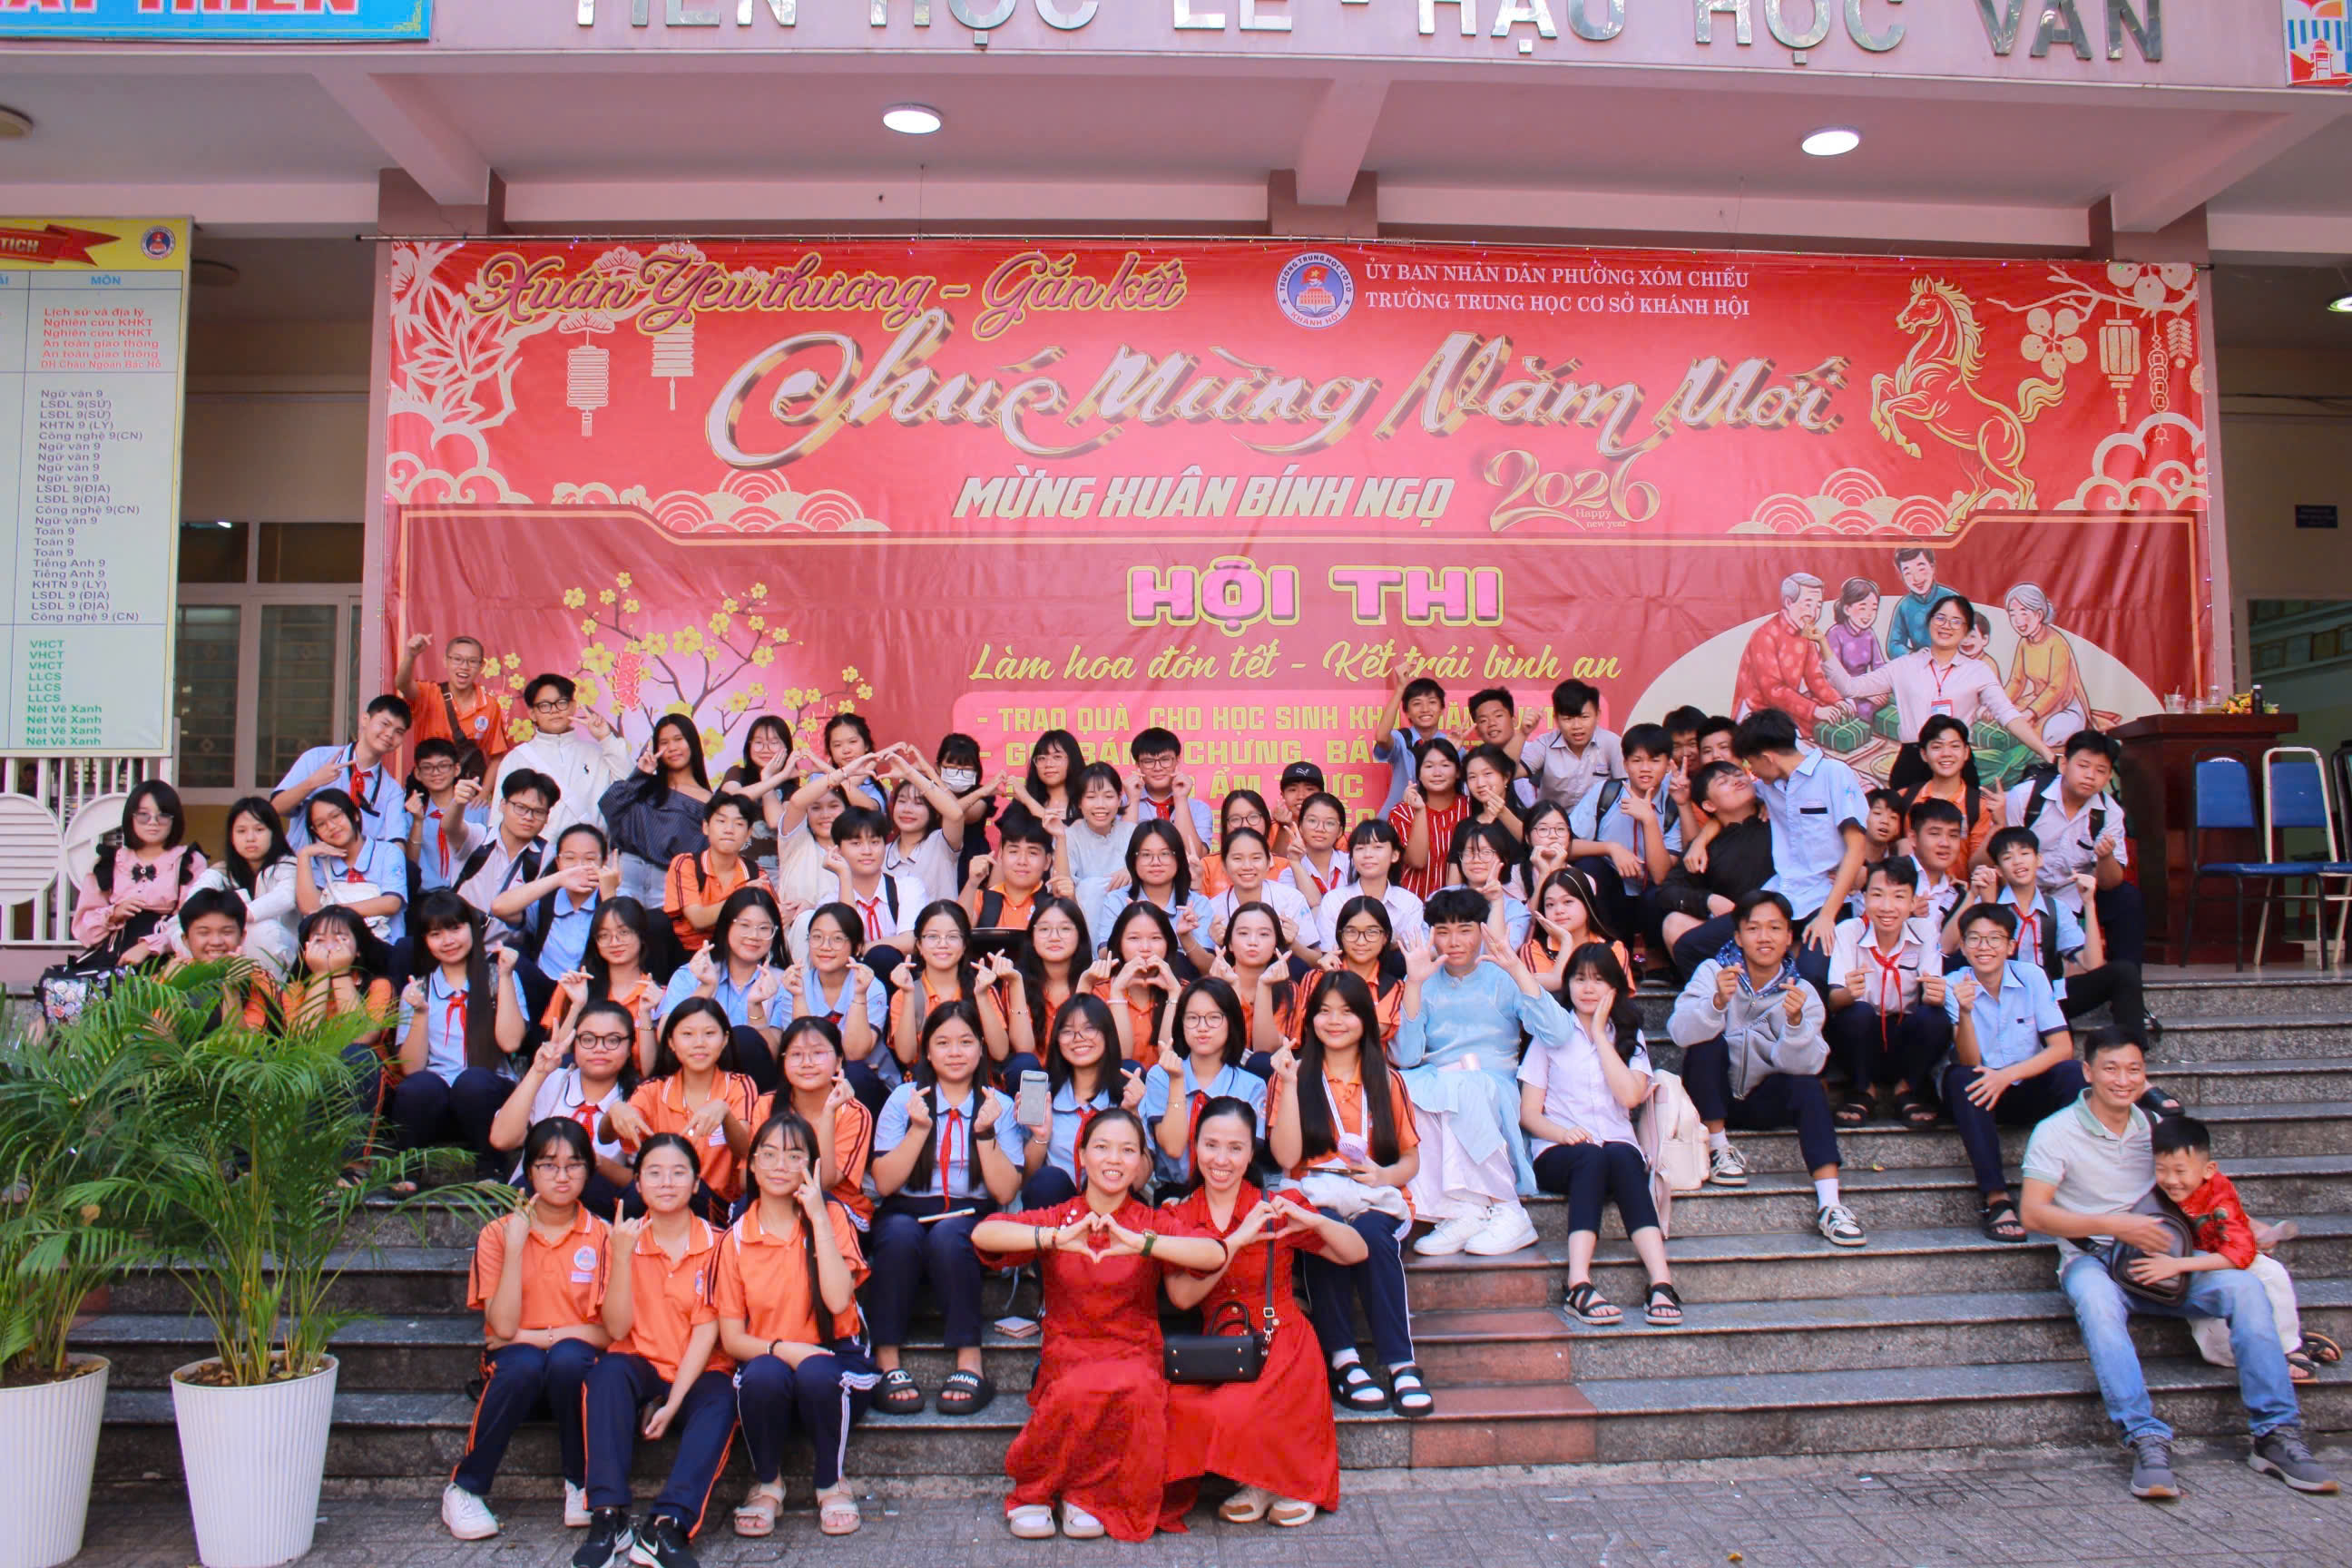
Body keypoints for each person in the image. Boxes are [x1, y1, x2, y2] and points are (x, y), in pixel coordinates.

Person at [2020, 1031, 2335, 1500]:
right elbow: (2032, 1214)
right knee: (2098, 1305)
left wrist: (2245, 1227)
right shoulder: (2055, 1132)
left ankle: (2276, 1433)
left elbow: (2200, 1191)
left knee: (2247, 1288)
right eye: (2111, 1069)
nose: (2123, 1080)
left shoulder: (2153, 1126)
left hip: (2166, 1257)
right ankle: (2144, 1436)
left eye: (2134, 1069)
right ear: (2088, 1072)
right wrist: (2115, 1225)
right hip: (2094, 1258)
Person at [970, 1109, 1227, 1541]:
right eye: (1102, 1147)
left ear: (1141, 1162)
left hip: (1134, 1349)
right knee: (1075, 1388)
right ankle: (1038, 1491)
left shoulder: (1148, 1222)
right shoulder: (1062, 1217)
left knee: (1136, 1388)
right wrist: (1054, 1239)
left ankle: (1086, 1494)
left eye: (1127, 1150)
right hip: (1068, 1349)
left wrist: (1142, 1243)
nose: (1114, 1159)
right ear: (1082, 1155)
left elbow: (1214, 1253)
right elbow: (984, 1235)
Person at [1161, 1100, 1363, 1528]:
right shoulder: (1179, 1216)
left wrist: (1315, 1221)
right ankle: (1260, 1481)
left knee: (1245, 1404)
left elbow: (1355, 1253)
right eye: (1211, 1145)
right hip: (1221, 1344)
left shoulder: (1276, 1204)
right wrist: (1236, 1239)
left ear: (1251, 1153)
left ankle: (1285, 1484)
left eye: (1235, 1148)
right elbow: (1180, 1297)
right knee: (1185, 1407)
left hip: (1280, 1337)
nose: (1222, 1159)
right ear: (1195, 1146)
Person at [1265, 970, 1428, 1416]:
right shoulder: (1292, 1074)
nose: (1334, 1021)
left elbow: (1410, 1161)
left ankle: (1401, 1363)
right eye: (1323, 1011)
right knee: (1326, 1229)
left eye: (1347, 1012)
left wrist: (1384, 1175)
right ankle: (1344, 1358)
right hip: (1314, 1191)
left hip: (1373, 1193)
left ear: (1365, 1019)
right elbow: (1286, 1157)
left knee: (1373, 1236)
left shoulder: (1387, 1080)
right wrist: (1292, 1086)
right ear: (1309, 1018)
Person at [442, 1118, 611, 1544]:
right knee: (524, 1365)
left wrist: (537, 1337)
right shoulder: (498, 1234)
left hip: (573, 1364)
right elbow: (501, 1328)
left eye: (574, 1165)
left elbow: (608, 1334)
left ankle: (580, 1483)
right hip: (515, 1367)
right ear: (529, 1171)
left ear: (589, 1171)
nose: (561, 1176)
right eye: (548, 1165)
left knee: (568, 1359)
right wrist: (517, 1246)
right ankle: (465, 1488)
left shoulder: (604, 1236)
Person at [577, 1132, 739, 1568]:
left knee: (723, 1398)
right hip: (641, 1362)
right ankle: (608, 1516)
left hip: (699, 1369)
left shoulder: (720, 1243)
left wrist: (672, 1404)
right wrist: (622, 1256)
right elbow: (615, 1328)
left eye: (678, 1172)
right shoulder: (620, 1240)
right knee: (606, 1374)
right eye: (654, 1173)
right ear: (638, 1183)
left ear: (696, 1182)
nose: (666, 1183)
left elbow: (706, 1331)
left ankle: (668, 1523)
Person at [718, 1111, 879, 1542]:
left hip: (837, 1363)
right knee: (763, 1374)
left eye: (794, 1156)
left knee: (815, 1372)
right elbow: (733, 1339)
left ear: (812, 1165)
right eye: (768, 1154)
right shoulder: (736, 1237)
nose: (780, 1166)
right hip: (771, 1360)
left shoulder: (833, 1216)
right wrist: (784, 1350)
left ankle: (831, 1483)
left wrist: (819, 1218)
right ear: (752, 1165)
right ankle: (768, 1484)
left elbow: (838, 1300)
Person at [1668, 892, 1863, 1247]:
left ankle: (1830, 1204)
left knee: (1809, 1087)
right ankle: (1719, 1148)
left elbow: (1806, 1066)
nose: (1764, 937)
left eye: (1774, 928)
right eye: (1754, 928)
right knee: (1705, 1044)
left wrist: (1795, 1024)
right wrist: (1716, 1003)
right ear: (1738, 936)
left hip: (1763, 1100)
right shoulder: (1712, 972)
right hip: (1712, 1097)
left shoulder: (1803, 991)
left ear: (1789, 936)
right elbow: (1680, 1033)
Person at [867, 1000, 1027, 1417]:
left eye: (966, 1042)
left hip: (969, 1214)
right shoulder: (904, 1099)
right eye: (943, 1043)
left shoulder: (998, 1104)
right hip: (906, 1208)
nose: (955, 1052)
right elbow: (884, 1183)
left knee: (949, 1237)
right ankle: (886, 1359)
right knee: (898, 1236)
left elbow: (1005, 1189)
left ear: (981, 1049)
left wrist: (985, 1132)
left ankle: (969, 1360)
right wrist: (920, 1129)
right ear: (927, 1050)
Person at [1521, 943, 1679, 1327]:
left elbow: (1630, 1097)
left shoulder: (1628, 1035)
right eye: (1579, 979)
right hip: (1559, 1150)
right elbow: (1528, 1114)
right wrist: (1563, 1133)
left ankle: (1662, 1282)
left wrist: (1601, 1037)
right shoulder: (1550, 1034)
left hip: (1615, 1147)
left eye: (1598, 980)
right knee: (1592, 1155)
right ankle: (1578, 1282)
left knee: (1622, 1155)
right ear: (1568, 985)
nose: (1588, 988)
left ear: (1614, 987)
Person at [1393, 890, 1557, 1258]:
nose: (1454, 942)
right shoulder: (1424, 979)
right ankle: (1462, 1210)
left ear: (1482, 931)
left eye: (1464, 930)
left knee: (1465, 1087)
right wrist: (1414, 984)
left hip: (1493, 1084)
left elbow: (1558, 1033)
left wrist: (1517, 969)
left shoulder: (1502, 977)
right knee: (1404, 1088)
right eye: (1443, 931)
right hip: (1439, 1082)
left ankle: (1508, 1207)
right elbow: (1405, 1056)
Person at [1686, 709, 1868, 993]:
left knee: (1811, 977)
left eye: (1751, 763)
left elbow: (1857, 848)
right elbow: (1728, 810)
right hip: (1781, 897)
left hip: (1828, 898)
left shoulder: (1833, 774)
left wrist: (1827, 916)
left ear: (1767, 758)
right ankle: (1729, 1009)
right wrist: (1700, 842)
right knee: (1691, 946)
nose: (1751, 773)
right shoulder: (1769, 786)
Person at [1942, 901, 2087, 1244]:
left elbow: (2062, 1047)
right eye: (1974, 939)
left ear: (2010, 946)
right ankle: (1997, 1199)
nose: (1984, 947)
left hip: (2023, 1085)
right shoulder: (1953, 984)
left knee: (2071, 1073)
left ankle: (2075, 1187)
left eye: (1994, 939)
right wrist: (1965, 1012)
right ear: (1963, 947)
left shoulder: (2032, 976)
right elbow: (1969, 1060)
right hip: (1982, 1094)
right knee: (1961, 1078)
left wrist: (2006, 1075)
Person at [2151, 1115, 2330, 1383]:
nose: (2170, 1180)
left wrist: (2178, 1265)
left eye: (2180, 1171)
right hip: (2195, 1271)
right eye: (2161, 1170)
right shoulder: (2153, 1192)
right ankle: (2277, 1344)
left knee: (2271, 1272)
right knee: (2217, 1352)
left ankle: (2290, 1347)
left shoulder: (2219, 1193)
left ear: (2208, 1169)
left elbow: (2239, 1253)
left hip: (2220, 1256)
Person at [1823, 593, 2056, 788]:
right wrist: (1822, 644)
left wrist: (2046, 753)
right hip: (1913, 761)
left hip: (1957, 763)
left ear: (1966, 630)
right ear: (1930, 622)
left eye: (1956, 621)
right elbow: (1850, 687)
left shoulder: (1978, 671)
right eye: (1941, 618)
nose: (1947, 626)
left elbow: (2007, 715)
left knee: (1959, 827)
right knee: (1908, 827)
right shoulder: (1904, 666)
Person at [392, 891, 527, 1174]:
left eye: (455, 928)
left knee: (472, 1082)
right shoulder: (417, 989)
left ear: (472, 928)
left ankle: (491, 1168)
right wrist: (420, 1012)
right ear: (425, 941)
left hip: (489, 1098)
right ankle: (408, 1171)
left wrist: (505, 977)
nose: (448, 941)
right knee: (416, 1088)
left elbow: (511, 1042)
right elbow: (411, 1068)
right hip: (439, 1101)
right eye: (436, 934)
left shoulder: (499, 976)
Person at [1982, 826, 2148, 1046]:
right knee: (2059, 1046)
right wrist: (1985, 902)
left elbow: (2092, 963)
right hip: (2008, 997)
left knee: (2124, 972)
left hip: (2051, 995)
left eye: (2025, 853)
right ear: (1999, 870)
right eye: (2008, 857)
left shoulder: (2056, 909)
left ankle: (2132, 1052)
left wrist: (2089, 904)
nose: (2018, 861)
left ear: (2039, 860)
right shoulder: (1988, 904)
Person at [607, 997, 760, 1221]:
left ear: (725, 1039)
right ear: (671, 1041)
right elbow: (606, 1136)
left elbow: (746, 1150)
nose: (699, 1043)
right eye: (687, 1034)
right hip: (658, 1196)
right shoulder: (654, 1089)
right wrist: (615, 1111)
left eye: (709, 1034)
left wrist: (725, 1115)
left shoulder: (739, 1085)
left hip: (713, 1205)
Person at [1825, 858, 1950, 1130]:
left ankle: (1907, 1089)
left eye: (1899, 897)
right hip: (1861, 1039)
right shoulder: (1849, 931)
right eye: (1878, 895)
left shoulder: (1925, 930)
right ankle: (1862, 1090)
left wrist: (1936, 995)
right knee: (1856, 1013)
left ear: (1913, 902)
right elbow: (1834, 1002)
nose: (1887, 907)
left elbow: (1932, 991)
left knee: (1936, 1018)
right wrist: (1848, 993)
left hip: (1903, 1035)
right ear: (1864, 897)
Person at [2004, 729, 2147, 970]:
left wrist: (2105, 857)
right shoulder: (2025, 797)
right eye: (2083, 766)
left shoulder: (2110, 812)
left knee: (2126, 898)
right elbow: (2003, 856)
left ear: (2108, 777)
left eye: (2100, 770)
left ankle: (2123, 979)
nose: (2090, 776)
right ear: (2063, 765)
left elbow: (2110, 882)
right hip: (2022, 890)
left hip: (2077, 893)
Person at [492, 999, 635, 1217]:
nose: (599, 1048)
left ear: (629, 1047)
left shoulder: (639, 1097)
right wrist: (538, 1073)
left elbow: (641, 1181)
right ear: (575, 1044)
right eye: (588, 1039)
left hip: (599, 1205)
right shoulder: (552, 1079)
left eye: (612, 1040)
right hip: (532, 1198)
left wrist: (594, 1162)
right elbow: (502, 1139)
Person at [1017, 994, 1142, 1208]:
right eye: (1067, 1031)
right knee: (1048, 1181)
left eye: (1089, 1028)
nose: (1078, 1038)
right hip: (1056, 1211)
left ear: (1107, 1033)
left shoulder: (1131, 1094)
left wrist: (1132, 1114)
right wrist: (1040, 1137)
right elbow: (1027, 1181)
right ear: (1057, 1039)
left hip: (1112, 1208)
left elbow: (1139, 1181)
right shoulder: (1042, 1095)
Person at [749, 1016, 876, 1228]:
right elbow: (753, 1173)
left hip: (836, 1205)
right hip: (776, 1197)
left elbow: (824, 1183)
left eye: (817, 1053)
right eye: (796, 1054)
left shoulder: (855, 1113)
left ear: (838, 1062)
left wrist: (829, 1113)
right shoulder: (766, 1104)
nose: (807, 1063)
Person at [656, 888, 787, 1093]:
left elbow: (773, 1057)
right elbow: (665, 1038)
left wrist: (756, 1009)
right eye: (744, 925)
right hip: (694, 1078)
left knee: (745, 1038)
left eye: (764, 928)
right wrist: (705, 989)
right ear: (727, 926)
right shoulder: (691, 974)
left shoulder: (781, 982)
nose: (754, 936)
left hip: (753, 1088)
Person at [1142, 976, 1268, 1187]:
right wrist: (1177, 1081)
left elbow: (1244, 1159)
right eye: (1192, 1018)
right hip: (1173, 1192)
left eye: (1214, 1018)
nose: (1202, 1027)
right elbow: (1173, 1148)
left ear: (1231, 1023)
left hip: (1229, 1189)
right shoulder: (1161, 1076)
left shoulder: (1252, 1086)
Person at [1654, 760, 1774, 981]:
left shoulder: (1777, 816)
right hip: (1733, 929)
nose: (1736, 781)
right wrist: (1708, 901)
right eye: (1723, 781)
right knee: (1674, 923)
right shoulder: (1706, 846)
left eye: (1738, 774)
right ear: (1709, 805)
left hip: (1782, 922)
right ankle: (1712, 995)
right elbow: (1667, 891)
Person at [1564, 722, 1680, 946]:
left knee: (1659, 894)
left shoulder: (1675, 803)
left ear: (1668, 764)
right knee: (1589, 866)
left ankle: (1656, 960)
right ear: (1625, 764)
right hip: (1612, 894)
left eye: (1654, 761)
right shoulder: (1606, 792)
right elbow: (1566, 846)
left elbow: (1660, 876)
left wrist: (1649, 820)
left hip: (1651, 899)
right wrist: (1611, 849)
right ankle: (1607, 950)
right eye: (1637, 760)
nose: (1645, 768)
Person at [69, 780, 207, 963]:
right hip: (111, 958)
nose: (153, 822)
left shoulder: (189, 861)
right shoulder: (109, 862)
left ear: (175, 819)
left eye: (163, 815)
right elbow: (83, 930)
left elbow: (195, 921)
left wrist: (149, 946)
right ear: (131, 817)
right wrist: (114, 914)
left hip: (168, 958)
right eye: (143, 815)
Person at [491, 822, 617, 1019]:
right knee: (510, 956)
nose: (580, 867)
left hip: (591, 991)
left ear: (604, 862)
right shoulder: (547, 899)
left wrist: (609, 893)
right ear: (558, 862)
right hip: (543, 989)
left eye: (590, 859)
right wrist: (558, 879)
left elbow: (617, 941)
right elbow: (499, 907)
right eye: (570, 858)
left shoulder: (614, 897)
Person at [777, 903, 890, 1105]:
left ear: (857, 947)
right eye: (817, 937)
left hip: (867, 1083)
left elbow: (854, 1054)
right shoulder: (793, 986)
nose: (825, 946)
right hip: (812, 1077)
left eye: (837, 939)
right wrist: (798, 997)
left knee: (853, 1072)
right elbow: (804, 1049)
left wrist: (859, 995)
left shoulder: (870, 986)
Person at [887, 900, 1015, 1079]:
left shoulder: (982, 988)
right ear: (919, 946)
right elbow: (906, 1056)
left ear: (964, 945)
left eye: (952, 937)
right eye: (932, 937)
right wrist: (908, 994)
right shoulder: (904, 994)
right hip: (926, 1088)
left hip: (976, 1088)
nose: (943, 944)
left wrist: (982, 997)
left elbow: (1000, 1053)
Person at [173, 796, 299, 975]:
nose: (250, 838)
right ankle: (209, 985)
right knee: (184, 929)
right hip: (229, 945)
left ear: (274, 833)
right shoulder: (223, 870)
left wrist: (235, 916)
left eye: (259, 830)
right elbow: (193, 902)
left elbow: (285, 897)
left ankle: (265, 989)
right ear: (231, 836)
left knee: (261, 930)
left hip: (281, 953)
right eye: (241, 831)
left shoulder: (289, 865)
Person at [497, 674, 632, 838]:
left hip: (590, 850)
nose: (554, 710)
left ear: (573, 707)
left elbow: (630, 786)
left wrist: (606, 738)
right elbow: (499, 818)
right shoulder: (516, 758)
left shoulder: (597, 753)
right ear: (532, 713)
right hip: (538, 853)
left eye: (561, 703)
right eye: (544, 705)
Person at [601, 713, 712, 911]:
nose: (672, 748)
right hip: (626, 875)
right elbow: (609, 805)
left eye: (678, 739)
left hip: (668, 882)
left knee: (661, 930)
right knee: (619, 927)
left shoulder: (707, 800)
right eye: (664, 742)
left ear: (693, 742)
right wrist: (640, 774)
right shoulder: (645, 784)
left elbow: (701, 856)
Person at [275, 692, 413, 848]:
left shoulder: (392, 791)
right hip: (304, 861)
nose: (389, 734)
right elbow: (276, 807)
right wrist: (313, 783)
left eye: (399, 732)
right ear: (365, 720)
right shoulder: (317, 758)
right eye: (385, 724)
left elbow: (396, 844)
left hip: (358, 864)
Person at [542, 898, 662, 1074]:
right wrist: (576, 1006)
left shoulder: (658, 995)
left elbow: (649, 1072)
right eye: (604, 935)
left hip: (635, 1087)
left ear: (641, 935)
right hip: (580, 1082)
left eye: (623, 932)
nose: (614, 942)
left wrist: (646, 1015)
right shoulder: (574, 986)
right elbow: (557, 1058)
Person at [1729, 572, 1852, 730]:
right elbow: (1773, 690)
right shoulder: (1764, 635)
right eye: (1807, 604)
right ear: (1788, 602)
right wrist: (1815, 710)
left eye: (1818, 606)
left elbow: (1816, 678)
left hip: (1785, 712)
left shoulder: (1805, 635)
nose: (1813, 613)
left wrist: (1837, 700)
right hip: (1756, 716)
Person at [292, 789, 408, 954]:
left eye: (336, 816)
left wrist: (334, 911)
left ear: (355, 815)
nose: (331, 827)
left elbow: (391, 903)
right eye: (321, 824)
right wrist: (304, 855)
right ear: (315, 832)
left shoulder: (388, 852)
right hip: (334, 952)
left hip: (383, 949)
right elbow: (310, 910)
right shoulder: (321, 860)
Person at [659, 793, 762, 956]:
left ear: (749, 833)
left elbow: (774, 917)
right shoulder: (687, 864)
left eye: (739, 824)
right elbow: (698, 920)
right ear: (706, 827)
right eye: (721, 821)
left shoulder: (756, 873)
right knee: (655, 921)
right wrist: (742, 898)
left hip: (734, 952)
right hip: (686, 951)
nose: (729, 830)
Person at [397, 631, 516, 771]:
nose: (464, 666)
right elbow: (402, 684)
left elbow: (496, 756)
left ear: (482, 666)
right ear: (445, 661)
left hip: (468, 782)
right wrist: (411, 655)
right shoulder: (428, 694)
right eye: (457, 659)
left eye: (472, 661)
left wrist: (483, 787)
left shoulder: (490, 705)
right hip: (429, 780)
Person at [1897, 714, 2004, 867]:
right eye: (1937, 747)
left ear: (1966, 752)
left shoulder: (1979, 807)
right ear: (1924, 754)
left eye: (1955, 746)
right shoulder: (1905, 798)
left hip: (1959, 884)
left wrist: (1998, 825)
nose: (1946, 753)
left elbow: (1976, 868)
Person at [455, 770, 557, 926]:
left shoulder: (548, 856)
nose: (528, 817)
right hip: (461, 937)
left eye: (538, 812)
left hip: (511, 942)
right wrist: (457, 803)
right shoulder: (479, 837)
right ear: (502, 805)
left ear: (547, 817)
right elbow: (450, 828)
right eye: (521, 807)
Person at [1311, 896, 1407, 1051]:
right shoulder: (1316, 978)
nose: (1361, 942)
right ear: (1340, 935)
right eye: (1351, 932)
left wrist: (1338, 985)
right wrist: (1329, 981)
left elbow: (1372, 1033)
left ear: (1385, 937)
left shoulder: (1393, 987)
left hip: (1368, 1064)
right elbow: (1310, 1030)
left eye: (1372, 932)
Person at [1517, 678, 1626, 814]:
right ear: (1556, 719)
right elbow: (1510, 773)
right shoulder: (1546, 744)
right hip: (1552, 823)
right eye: (1568, 719)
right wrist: (1522, 733)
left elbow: (1626, 790)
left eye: (1584, 717)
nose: (1577, 726)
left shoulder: (1613, 743)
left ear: (1598, 715)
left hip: (1598, 823)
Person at [2003, 583, 2091, 748]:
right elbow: (2016, 681)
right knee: (2002, 722)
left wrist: (2031, 713)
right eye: (2012, 614)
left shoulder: (2056, 643)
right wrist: (2000, 705)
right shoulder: (2024, 643)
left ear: (2039, 614)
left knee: (2049, 733)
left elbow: (2056, 688)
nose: (2017, 620)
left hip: (2064, 707)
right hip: (2035, 702)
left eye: (2023, 612)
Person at [1316, 818, 1425, 950]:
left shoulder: (1409, 903)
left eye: (1378, 847)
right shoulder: (1335, 900)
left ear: (1395, 855)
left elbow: (1418, 951)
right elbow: (1327, 951)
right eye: (1360, 848)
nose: (1367, 855)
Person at [882, 750, 972, 906]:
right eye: (902, 801)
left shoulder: (941, 843)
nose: (907, 809)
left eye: (918, 803)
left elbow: (956, 815)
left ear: (934, 812)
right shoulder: (882, 853)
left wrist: (910, 773)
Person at [718, 716, 798, 881]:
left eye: (774, 743)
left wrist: (767, 777)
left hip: (774, 873)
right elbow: (731, 801)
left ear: (786, 748)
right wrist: (768, 780)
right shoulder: (736, 774)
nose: (765, 749)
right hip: (733, 866)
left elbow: (776, 822)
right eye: (759, 742)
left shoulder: (791, 789)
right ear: (749, 746)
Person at [1390, 737, 1471, 900]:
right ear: (1419, 774)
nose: (1437, 773)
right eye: (1428, 766)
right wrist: (1420, 811)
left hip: (1461, 905)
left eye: (1445, 765)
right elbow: (1417, 861)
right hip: (1413, 904)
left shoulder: (1471, 808)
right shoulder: (1402, 812)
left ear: (1458, 772)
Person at [1523, 866, 1628, 990]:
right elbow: (1541, 994)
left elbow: (1616, 994)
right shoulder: (1534, 949)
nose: (1559, 910)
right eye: (1550, 904)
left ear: (1587, 902)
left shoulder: (1614, 948)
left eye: (1568, 902)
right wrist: (1566, 941)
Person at [406, 738, 487, 897]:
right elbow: (410, 866)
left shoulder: (479, 811)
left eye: (443, 765)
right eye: (427, 767)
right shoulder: (410, 816)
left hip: (469, 896)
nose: (436, 773)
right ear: (418, 773)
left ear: (456, 769)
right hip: (426, 899)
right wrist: (417, 822)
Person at [967, 806, 1056, 936]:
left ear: (1047, 861)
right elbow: (957, 931)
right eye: (1014, 851)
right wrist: (972, 883)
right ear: (1001, 855)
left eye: (1032, 853)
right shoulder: (981, 899)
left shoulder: (1055, 905)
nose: (1022, 861)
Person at [1373, 672, 1451, 819]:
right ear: (1407, 712)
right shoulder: (1401, 739)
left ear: (1442, 709)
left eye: (1432, 702)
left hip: (1436, 825)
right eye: (1417, 703)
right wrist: (1400, 687)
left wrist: (1453, 752)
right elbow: (1382, 738)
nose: (1425, 709)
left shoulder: (1451, 744)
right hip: (1394, 823)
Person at [1127, 726, 1212, 858]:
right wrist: (1132, 801)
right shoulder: (1123, 804)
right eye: (1149, 761)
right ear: (1138, 765)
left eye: (1165, 760)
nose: (1157, 768)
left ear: (1177, 760)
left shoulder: (1199, 809)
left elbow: (1194, 857)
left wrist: (1181, 800)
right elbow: (1122, 855)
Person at [1826, 578, 1889, 720]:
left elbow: (1879, 667)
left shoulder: (1869, 634)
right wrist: (1866, 692)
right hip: (1842, 694)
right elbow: (1833, 678)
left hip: (1867, 689)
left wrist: (1880, 688)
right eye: (1862, 608)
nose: (1869, 615)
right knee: (1865, 712)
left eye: (1873, 609)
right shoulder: (1835, 634)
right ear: (1847, 609)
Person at [1882, 546, 1961, 661]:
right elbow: (1893, 646)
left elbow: (1970, 636)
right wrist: (1913, 654)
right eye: (1908, 573)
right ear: (1902, 577)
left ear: (1932, 567)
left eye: (1921, 569)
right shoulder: (1905, 606)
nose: (1916, 578)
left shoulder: (1953, 599)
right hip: (1921, 665)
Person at [1279, 789, 1354, 909]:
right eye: (1312, 821)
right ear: (1300, 826)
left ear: (1340, 831)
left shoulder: (1351, 865)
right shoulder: (1289, 874)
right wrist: (1296, 863)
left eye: (1329, 823)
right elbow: (1314, 903)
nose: (1320, 829)